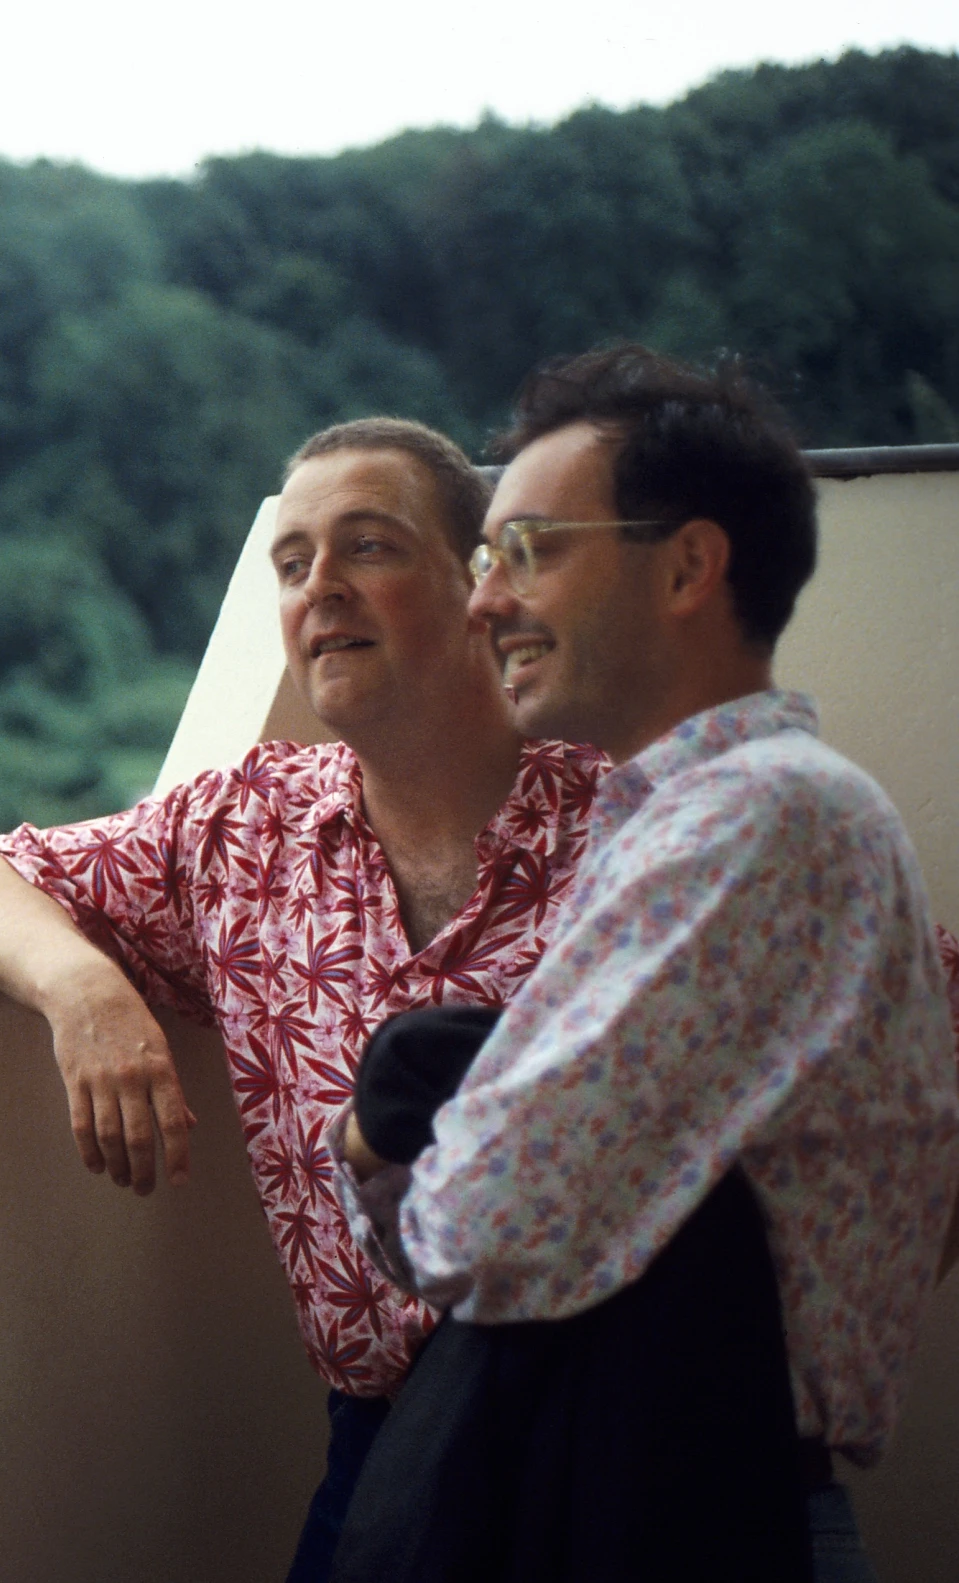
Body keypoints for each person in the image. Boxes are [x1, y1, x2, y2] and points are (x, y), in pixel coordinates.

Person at [0, 417, 608, 1582]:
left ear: (482, 577)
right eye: (291, 563)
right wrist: (86, 990)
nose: (318, 587)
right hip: (387, 1454)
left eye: (367, 547)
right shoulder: (245, 827)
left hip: (622, 1450)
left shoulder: (645, 829)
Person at [334, 344, 959, 1582]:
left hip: (698, 1515)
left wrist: (377, 1139)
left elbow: (480, 1228)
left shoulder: (757, 818)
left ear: (686, 564)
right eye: (481, 558)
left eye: (529, 549)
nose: (482, 601)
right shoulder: (687, 821)